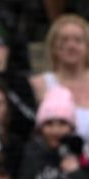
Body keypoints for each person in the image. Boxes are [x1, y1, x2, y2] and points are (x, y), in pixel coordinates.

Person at [29, 14, 89, 142]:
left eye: (78, 40)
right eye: (64, 40)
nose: (71, 46)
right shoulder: (38, 84)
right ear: (54, 47)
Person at [19, 85, 89, 179]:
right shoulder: (31, 153)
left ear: (71, 128)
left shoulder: (81, 152)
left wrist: (76, 172)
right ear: (40, 128)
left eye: (62, 123)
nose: (55, 130)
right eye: (49, 123)